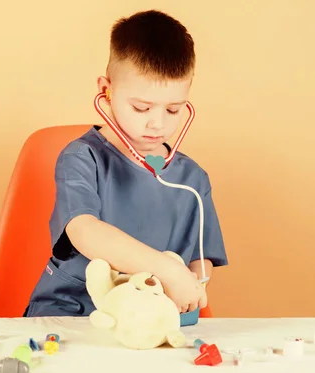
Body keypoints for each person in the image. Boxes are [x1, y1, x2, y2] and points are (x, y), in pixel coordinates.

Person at [23, 9, 228, 317]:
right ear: (106, 90)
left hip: (150, 321)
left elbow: (201, 258)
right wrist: (166, 271)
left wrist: (193, 283)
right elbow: (84, 231)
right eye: (141, 107)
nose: (157, 124)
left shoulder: (192, 178)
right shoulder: (82, 158)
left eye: (173, 110)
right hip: (71, 313)